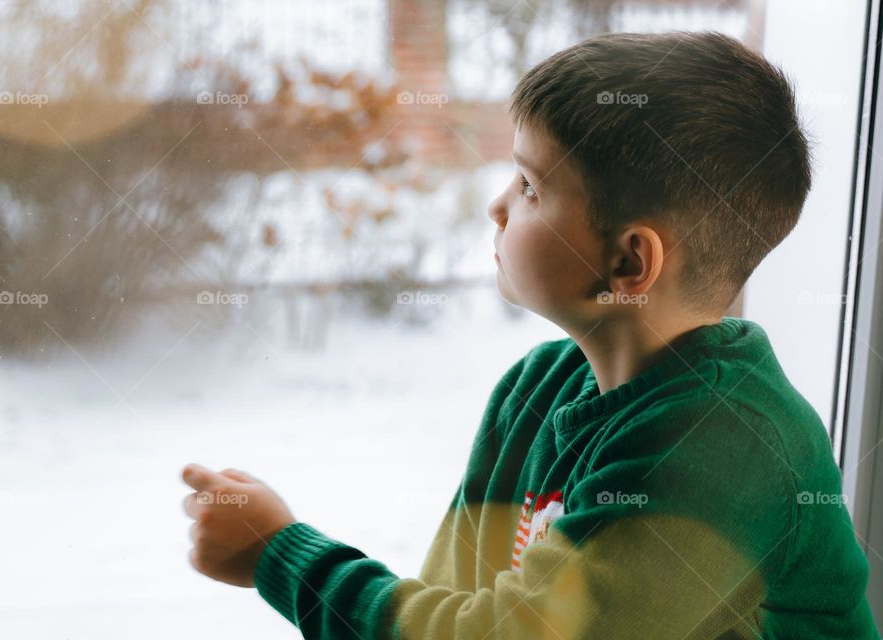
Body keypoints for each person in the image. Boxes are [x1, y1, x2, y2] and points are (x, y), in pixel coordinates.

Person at [180, 30, 880, 639]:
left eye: (529, 186)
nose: (496, 205)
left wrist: (278, 554)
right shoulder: (535, 391)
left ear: (628, 262)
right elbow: (451, 604)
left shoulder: (730, 450)